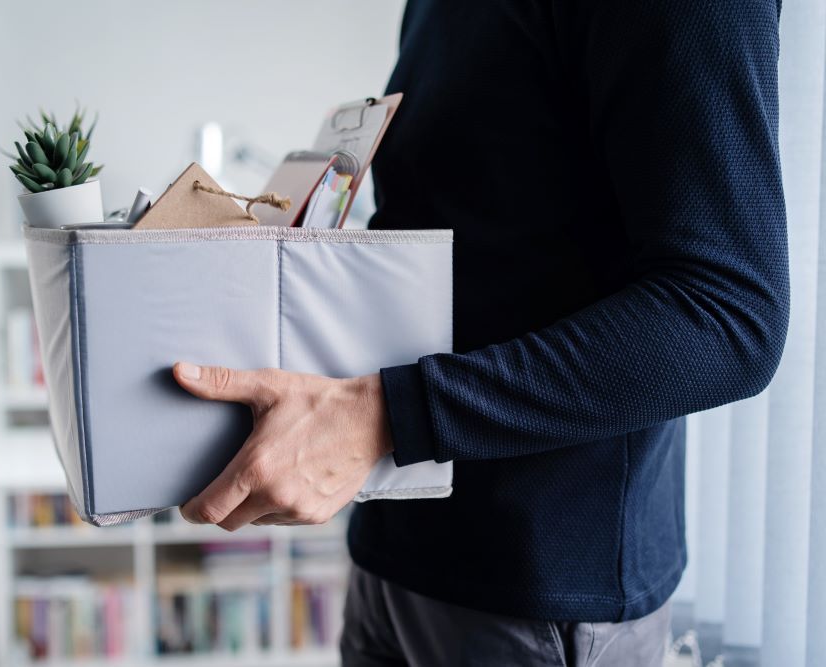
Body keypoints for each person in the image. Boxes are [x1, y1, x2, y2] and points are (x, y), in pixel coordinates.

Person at [171, 0, 789, 664]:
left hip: (536, 596)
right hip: (394, 551)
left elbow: (727, 311)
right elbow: (471, 242)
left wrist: (383, 415)